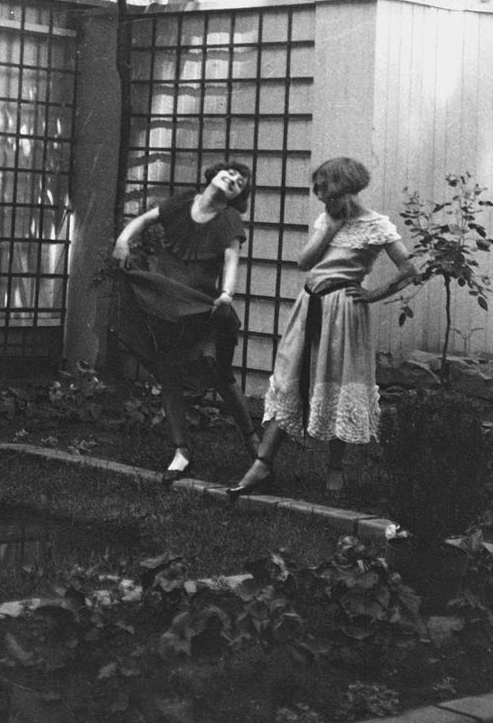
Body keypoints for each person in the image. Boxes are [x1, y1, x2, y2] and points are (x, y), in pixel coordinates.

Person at [229, 155, 420, 498]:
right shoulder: (326, 221)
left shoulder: (377, 225)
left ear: (346, 187)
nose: (320, 195)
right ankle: (263, 464)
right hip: (309, 306)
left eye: (326, 189)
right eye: (318, 190)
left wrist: (371, 294)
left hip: (343, 312)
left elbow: (409, 270)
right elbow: (305, 262)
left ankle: (335, 468)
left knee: (335, 379)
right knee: (290, 378)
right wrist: (330, 228)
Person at [112, 161, 263, 483]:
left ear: (238, 196)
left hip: (199, 307)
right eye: (230, 173)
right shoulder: (181, 202)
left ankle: (253, 441)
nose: (233, 179)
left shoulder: (229, 219)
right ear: (212, 175)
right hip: (164, 301)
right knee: (168, 373)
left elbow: (231, 258)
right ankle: (181, 452)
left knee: (218, 372)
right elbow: (144, 219)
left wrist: (227, 294)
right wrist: (123, 241)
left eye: (240, 182)